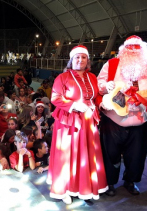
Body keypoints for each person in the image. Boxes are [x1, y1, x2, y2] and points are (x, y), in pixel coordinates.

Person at [97, 35, 147, 196]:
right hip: (113, 119)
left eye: (136, 48)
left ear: (142, 49)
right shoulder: (112, 64)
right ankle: (109, 182)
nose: (132, 51)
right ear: (123, 49)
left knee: (136, 155)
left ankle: (130, 181)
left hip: (140, 120)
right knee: (110, 154)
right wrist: (105, 85)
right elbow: (99, 84)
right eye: (129, 47)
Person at [47, 45, 108, 204]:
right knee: (68, 156)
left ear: (87, 60)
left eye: (83, 57)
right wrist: (73, 105)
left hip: (88, 121)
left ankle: (85, 188)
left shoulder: (93, 77)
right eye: (77, 57)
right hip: (69, 123)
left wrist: (102, 103)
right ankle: (65, 189)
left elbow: (96, 97)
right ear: (71, 60)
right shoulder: (62, 77)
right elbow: (55, 98)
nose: (80, 60)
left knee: (86, 155)